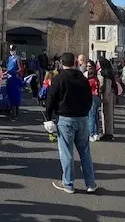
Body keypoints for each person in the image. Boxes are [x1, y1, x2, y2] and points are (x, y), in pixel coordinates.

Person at [45, 52, 97, 194]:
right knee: (85, 152)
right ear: (75, 63)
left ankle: (68, 183)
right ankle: (90, 183)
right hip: (82, 118)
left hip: (65, 118)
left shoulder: (58, 79)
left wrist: (48, 117)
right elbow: (89, 98)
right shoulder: (83, 79)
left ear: (62, 63)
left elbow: (51, 99)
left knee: (66, 152)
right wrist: (85, 112)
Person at [99, 58, 116, 141]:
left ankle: (108, 133)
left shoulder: (106, 73)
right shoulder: (108, 72)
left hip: (108, 95)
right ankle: (107, 132)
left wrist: (105, 98)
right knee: (107, 114)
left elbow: (108, 87)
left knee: (108, 114)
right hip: (109, 94)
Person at [86, 64, 101, 142]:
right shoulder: (96, 80)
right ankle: (96, 133)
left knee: (91, 116)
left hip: (91, 97)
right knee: (96, 116)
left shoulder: (90, 81)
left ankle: (90, 134)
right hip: (97, 97)